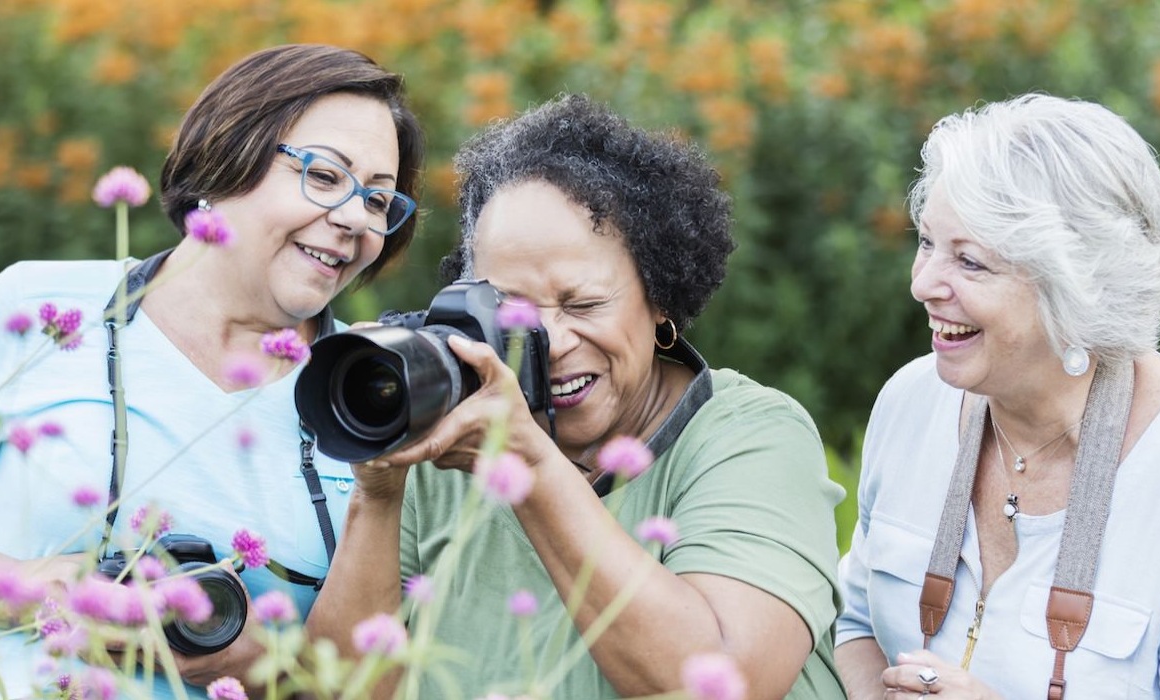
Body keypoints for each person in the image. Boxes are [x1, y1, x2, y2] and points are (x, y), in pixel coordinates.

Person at [0, 44, 424, 698]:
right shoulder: (38, 311)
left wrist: (251, 661)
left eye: (379, 200)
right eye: (325, 176)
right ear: (230, 155)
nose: (353, 218)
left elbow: (365, 685)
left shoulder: (371, 399)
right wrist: (55, 593)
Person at [306, 95, 848, 698]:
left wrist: (529, 466)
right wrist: (377, 497)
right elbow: (338, 690)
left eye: (583, 304)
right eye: (512, 309)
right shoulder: (448, 441)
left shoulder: (749, 435)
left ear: (661, 296)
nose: (552, 341)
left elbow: (720, 683)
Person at [833, 95, 1160, 699]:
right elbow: (856, 624)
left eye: (970, 262)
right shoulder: (911, 403)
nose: (922, 284)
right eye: (927, 243)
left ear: (1078, 292)